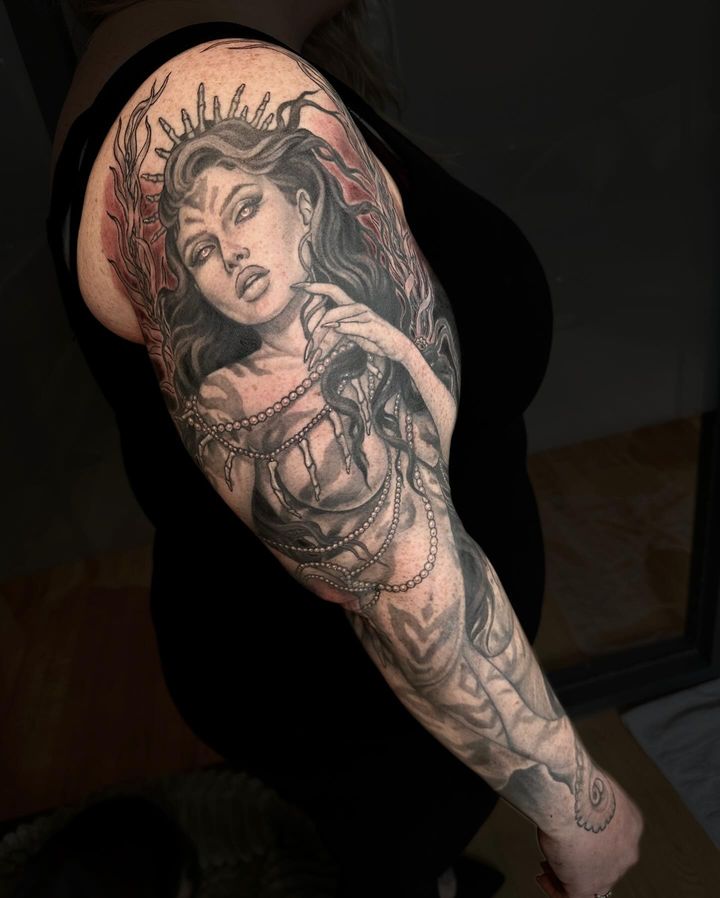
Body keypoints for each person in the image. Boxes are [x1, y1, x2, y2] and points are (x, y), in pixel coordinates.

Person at [46, 2, 644, 897]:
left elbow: (423, 441)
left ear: (301, 199)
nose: (231, 256)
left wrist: (389, 341)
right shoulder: (203, 90)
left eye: (245, 208)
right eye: (203, 246)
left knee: (397, 853)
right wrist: (580, 808)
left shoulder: (198, 65)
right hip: (365, 702)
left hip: (374, 669)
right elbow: (401, 574)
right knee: (392, 859)